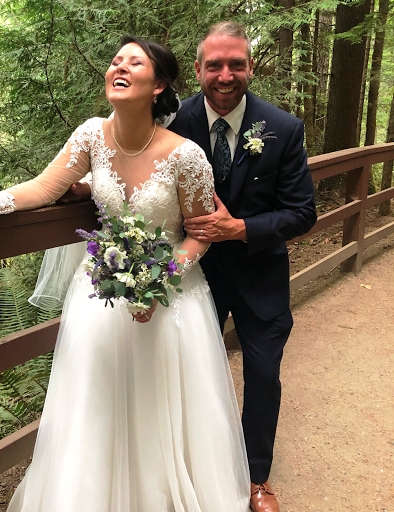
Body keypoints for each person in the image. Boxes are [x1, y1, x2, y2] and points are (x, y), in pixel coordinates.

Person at [0, 37, 250, 511]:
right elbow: (45, 187)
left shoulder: (187, 156)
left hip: (171, 299)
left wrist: (158, 282)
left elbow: (200, 235)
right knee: (96, 407)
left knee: (160, 408)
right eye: (115, 61)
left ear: (158, 85)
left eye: (134, 62)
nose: (119, 67)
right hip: (100, 295)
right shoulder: (91, 135)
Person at [166, 22, 317, 512]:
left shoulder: (283, 128)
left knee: (264, 375)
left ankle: (256, 478)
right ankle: (190, 469)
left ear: (251, 67)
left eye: (236, 64)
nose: (225, 75)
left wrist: (240, 228)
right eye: (214, 65)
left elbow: (302, 213)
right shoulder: (171, 122)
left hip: (260, 275)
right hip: (193, 277)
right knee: (185, 371)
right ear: (198, 70)